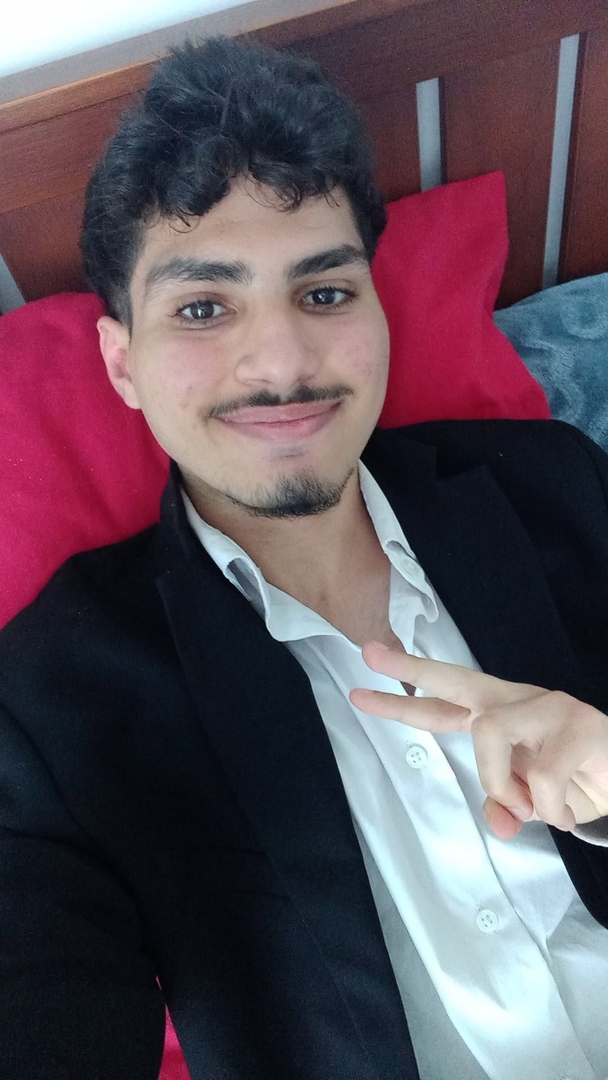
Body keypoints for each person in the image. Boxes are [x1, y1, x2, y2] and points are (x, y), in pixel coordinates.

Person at [2, 35, 608, 1080]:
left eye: (323, 293)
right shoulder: (55, 697)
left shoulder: (556, 484)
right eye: (203, 307)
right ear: (122, 363)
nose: (280, 363)